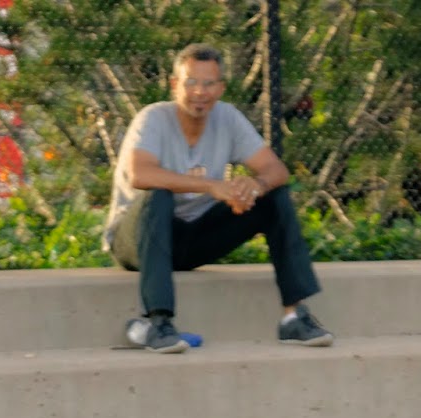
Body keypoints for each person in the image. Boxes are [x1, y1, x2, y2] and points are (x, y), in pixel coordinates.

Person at [105, 43, 334, 354]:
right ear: (175, 85)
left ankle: (294, 317)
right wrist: (212, 186)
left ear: (220, 87)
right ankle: (158, 323)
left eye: (209, 83)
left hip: (191, 240)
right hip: (136, 240)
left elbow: (276, 170)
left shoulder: (228, 119)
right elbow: (141, 175)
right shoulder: (153, 119)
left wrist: (253, 186)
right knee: (158, 195)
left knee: (274, 196)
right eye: (191, 82)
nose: (200, 92)